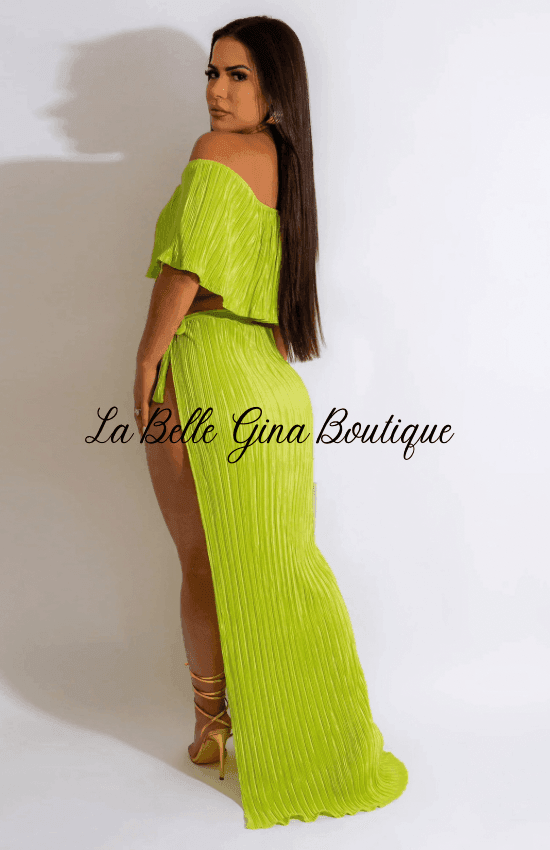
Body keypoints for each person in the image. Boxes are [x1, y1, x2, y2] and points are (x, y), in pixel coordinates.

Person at [133, 15, 408, 831]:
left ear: (275, 85)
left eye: (238, 76)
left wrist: (146, 362)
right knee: (286, 567)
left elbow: (185, 270)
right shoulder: (291, 171)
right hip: (273, 385)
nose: (217, 92)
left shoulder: (215, 153)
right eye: (211, 74)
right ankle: (324, 739)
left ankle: (212, 729)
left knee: (201, 561)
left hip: (206, 374)